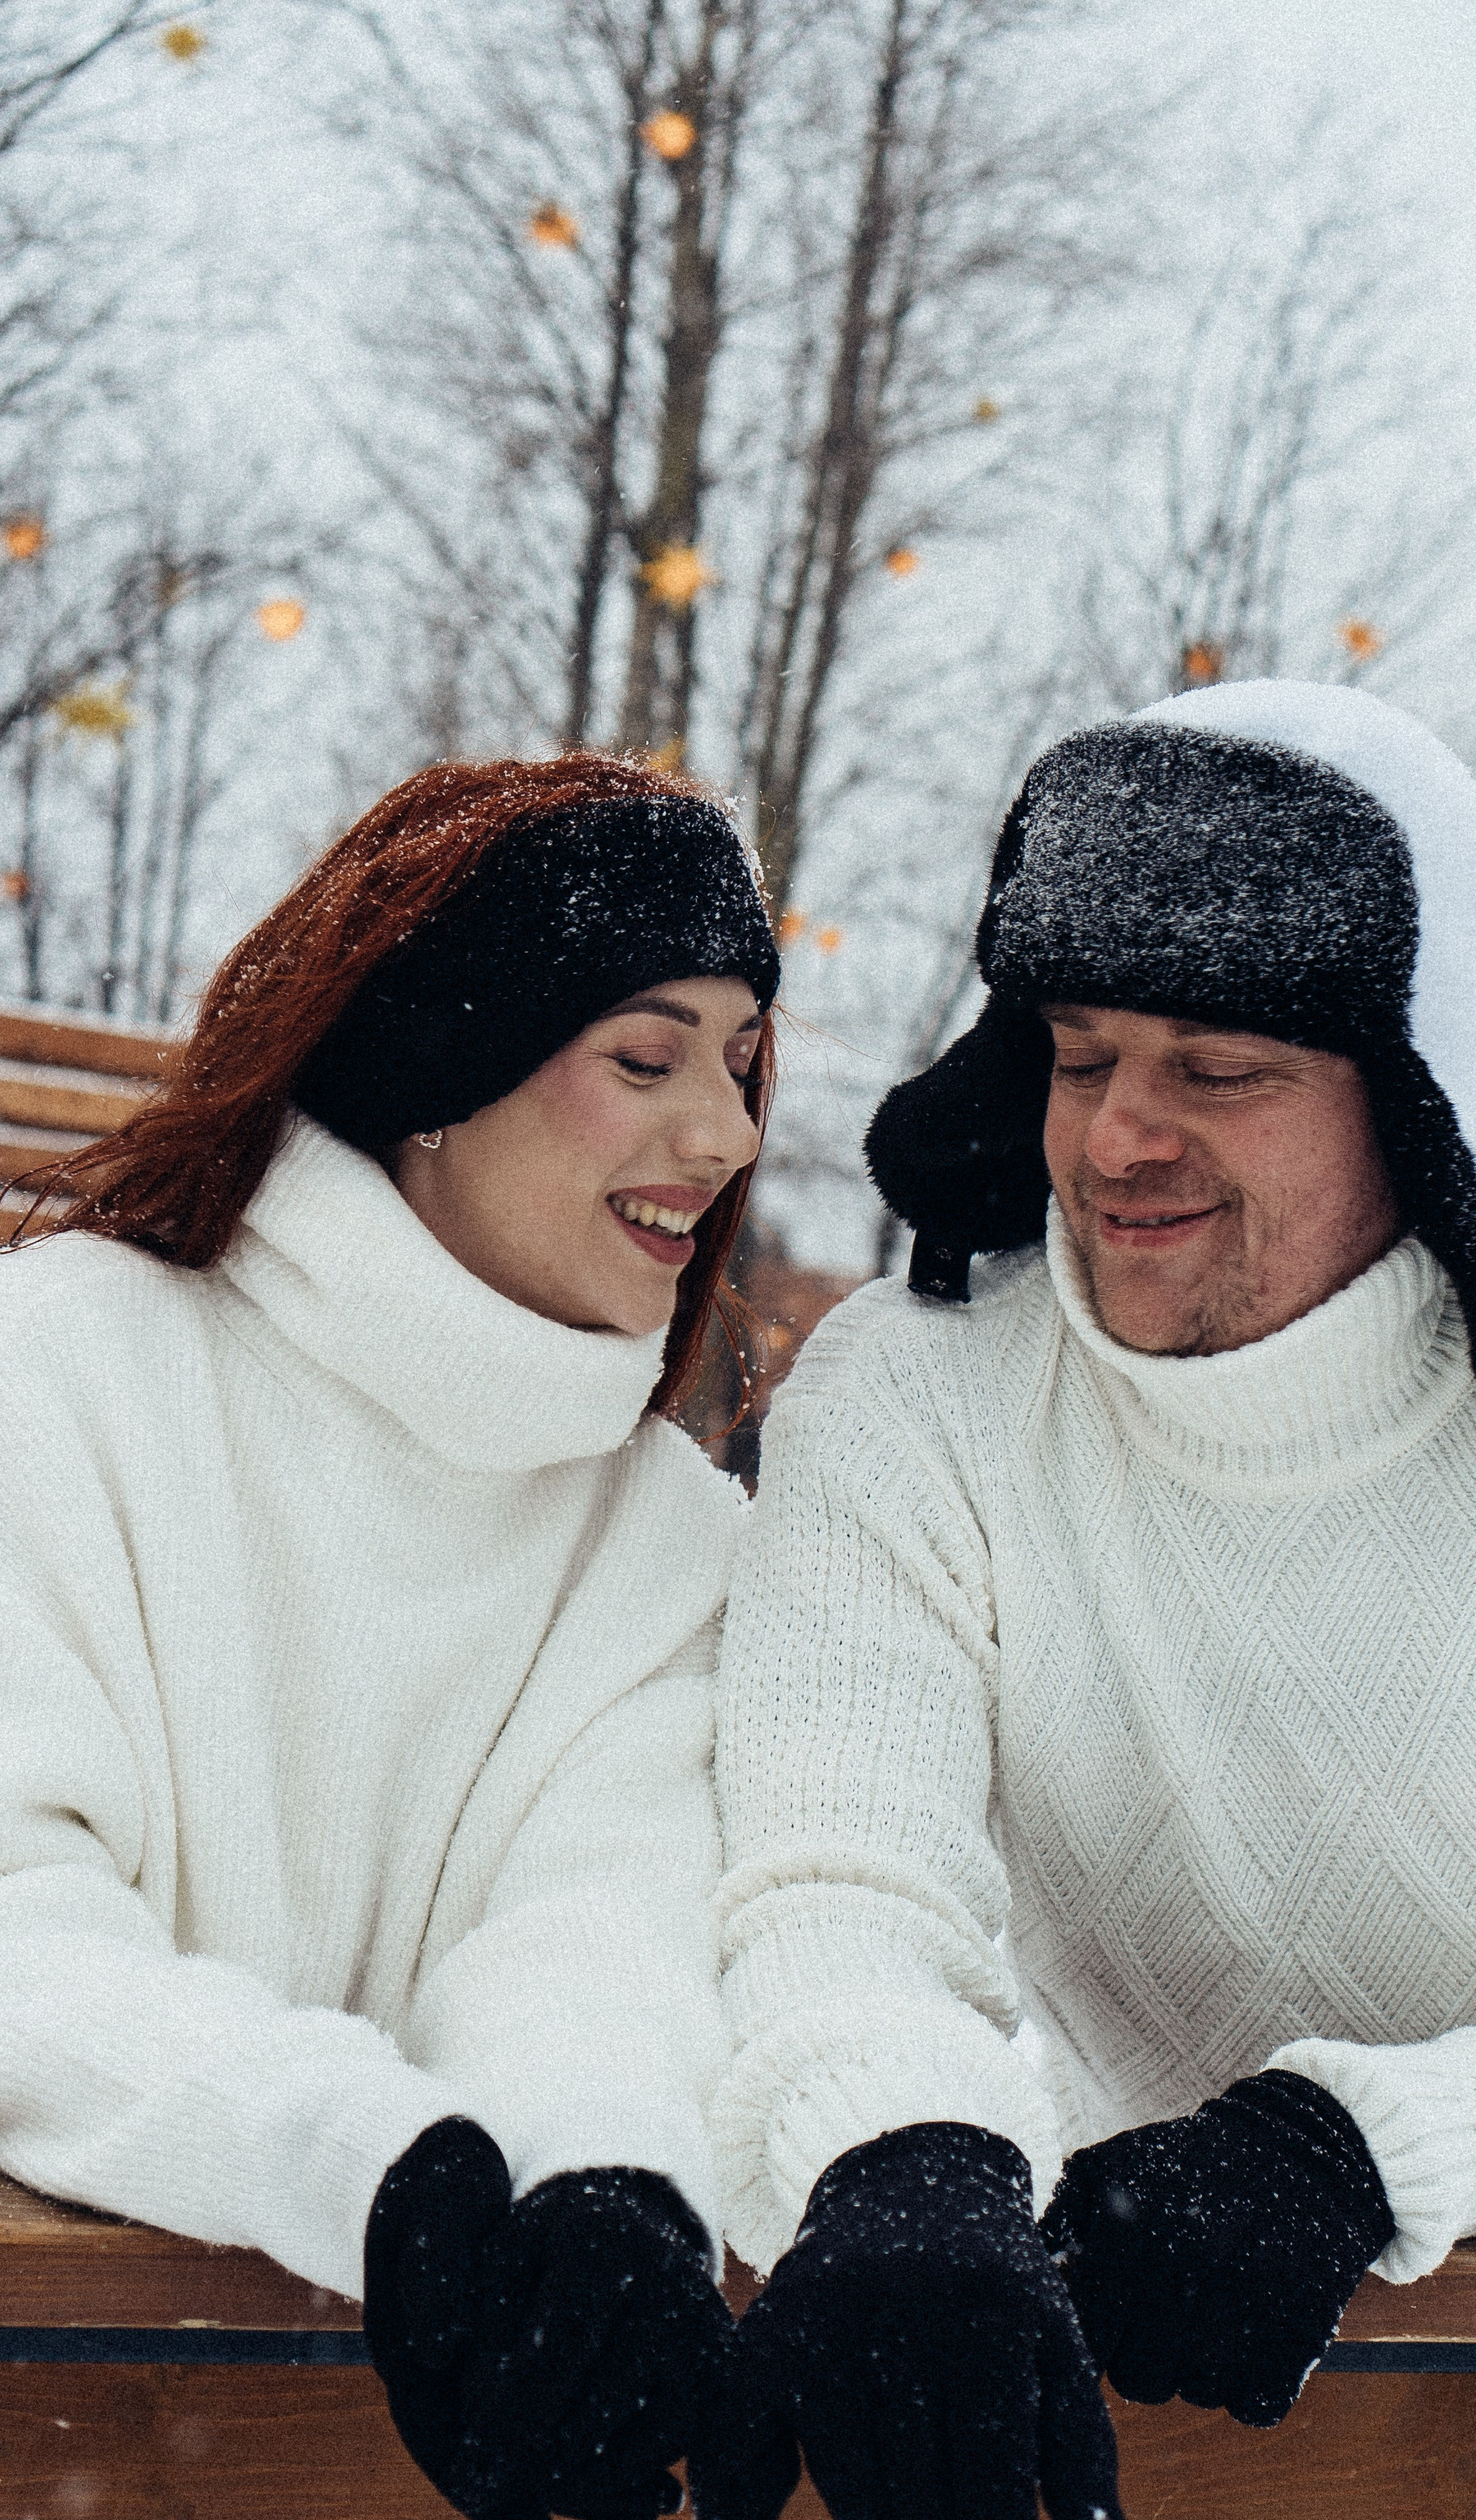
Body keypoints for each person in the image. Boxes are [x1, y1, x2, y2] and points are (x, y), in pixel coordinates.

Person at [694, 681, 1476, 2520]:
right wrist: (899, 2153)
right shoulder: (913, 1398)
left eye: (1220, 1072)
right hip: (1113, 2384)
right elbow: (836, 1881)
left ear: (1415, 1097)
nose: (1116, 1141)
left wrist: (1358, 2146)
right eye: (1080, 1059)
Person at [0, 750, 779, 2520]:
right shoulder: (57, 1375)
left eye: (739, 1064)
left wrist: (602, 2179)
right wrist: (370, 2164)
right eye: (645, 1058)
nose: (729, 1135)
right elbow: (17, 1925)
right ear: (440, 1070)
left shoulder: (667, 1538)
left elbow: (600, 1927)